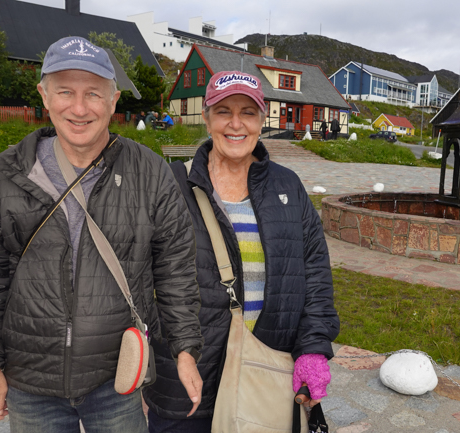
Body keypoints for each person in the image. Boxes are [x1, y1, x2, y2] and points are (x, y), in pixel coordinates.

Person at [0, 36, 203, 433]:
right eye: (65, 92)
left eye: (93, 93)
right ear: (44, 94)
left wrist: (186, 350)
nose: (79, 108)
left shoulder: (151, 174)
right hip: (30, 381)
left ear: (113, 99)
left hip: (117, 379)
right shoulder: (1, 178)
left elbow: (176, 272)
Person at [143, 70, 340, 432]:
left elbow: (314, 274)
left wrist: (312, 347)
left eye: (248, 113)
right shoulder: (171, 184)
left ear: (262, 120)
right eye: (223, 112)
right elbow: (141, 272)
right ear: (206, 117)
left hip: (264, 375)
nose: (236, 124)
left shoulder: (287, 186)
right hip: (185, 382)